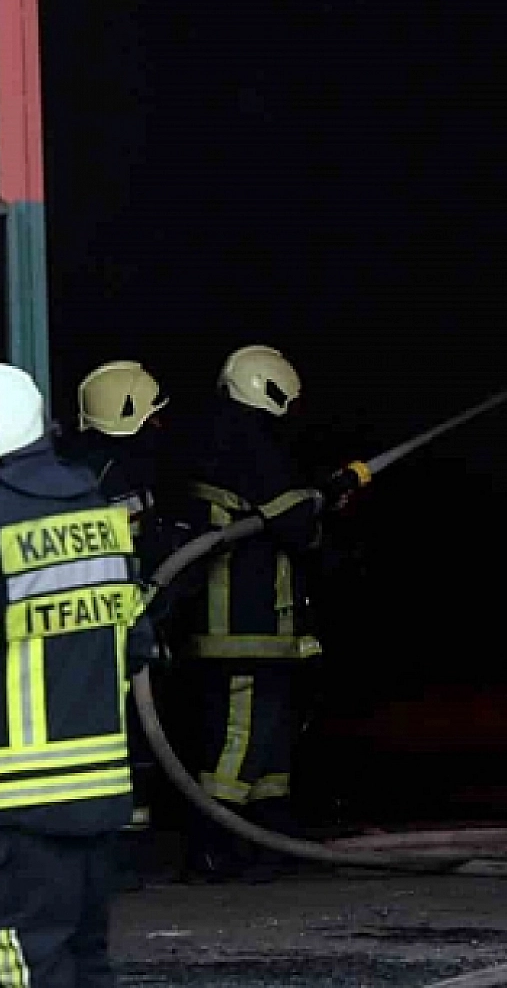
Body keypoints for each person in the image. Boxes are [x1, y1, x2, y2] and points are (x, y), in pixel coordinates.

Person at [0, 362, 156, 987]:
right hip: (99, 802)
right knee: (87, 964)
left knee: (24, 969)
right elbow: (138, 644)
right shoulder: (102, 517)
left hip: (12, 812)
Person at [177, 345, 356, 882]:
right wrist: (331, 493)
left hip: (259, 625)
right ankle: (213, 843)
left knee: (268, 742)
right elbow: (296, 521)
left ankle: (267, 835)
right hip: (242, 626)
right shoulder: (249, 444)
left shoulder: (226, 440)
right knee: (240, 739)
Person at [62, 361, 177, 889]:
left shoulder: (100, 471)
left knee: (135, 742)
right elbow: (124, 555)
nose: (160, 427)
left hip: (125, 623)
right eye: (152, 417)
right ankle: (122, 855)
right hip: (114, 630)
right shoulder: (109, 478)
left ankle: (128, 849)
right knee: (124, 743)